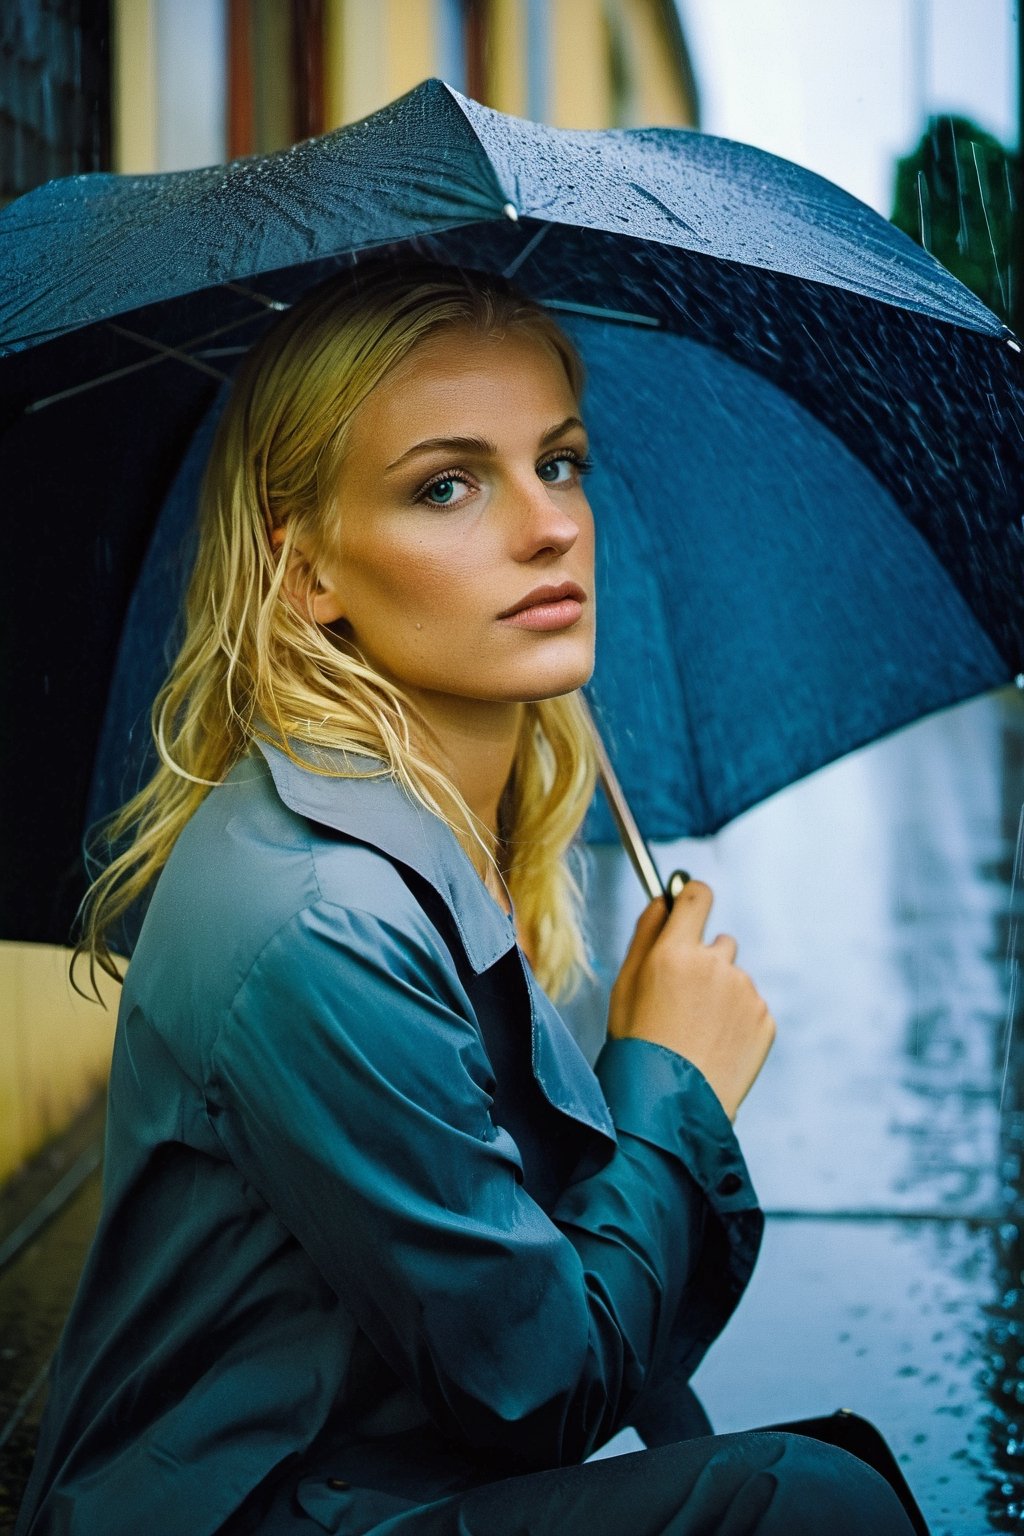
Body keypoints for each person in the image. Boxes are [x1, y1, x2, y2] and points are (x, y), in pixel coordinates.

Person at [15, 263, 917, 1536]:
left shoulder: (431, 826)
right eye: (447, 484)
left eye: (559, 462)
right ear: (307, 573)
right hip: (260, 1512)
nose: (549, 526)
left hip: (378, 1477)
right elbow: (536, 1388)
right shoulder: (320, 917)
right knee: (804, 1509)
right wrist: (672, 1076)